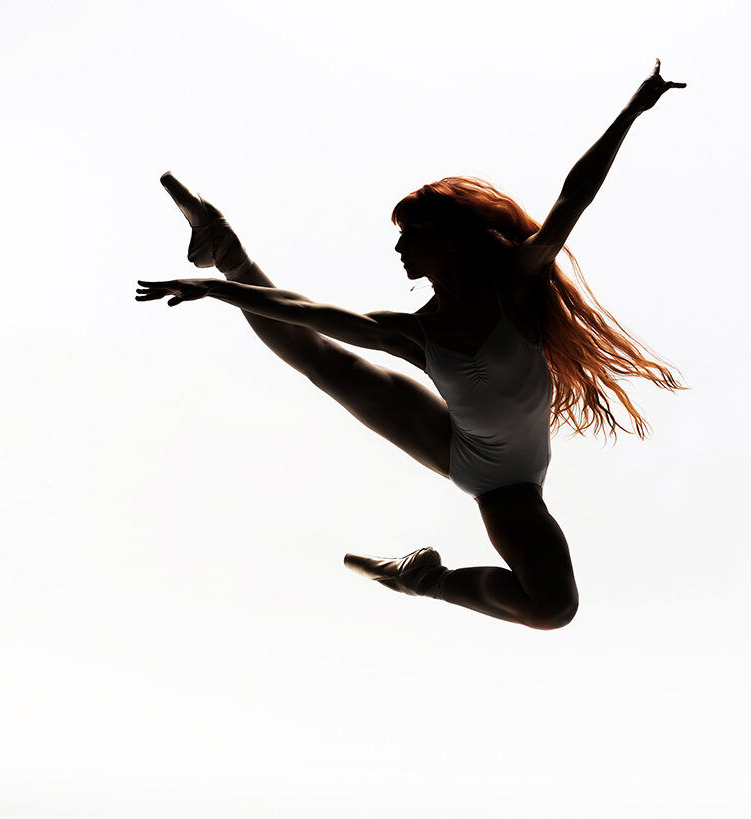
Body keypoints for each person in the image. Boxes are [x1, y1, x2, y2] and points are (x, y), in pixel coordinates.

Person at [137, 59, 686, 630]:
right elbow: (313, 316)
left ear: (452, 237)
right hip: (466, 453)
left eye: (411, 234)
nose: (399, 248)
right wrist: (220, 287)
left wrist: (631, 112)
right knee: (322, 360)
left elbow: (574, 198)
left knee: (552, 607)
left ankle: (421, 579)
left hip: (509, 481)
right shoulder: (414, 331)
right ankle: (225, 248)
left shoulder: (515, 283)